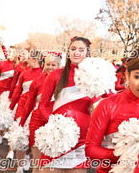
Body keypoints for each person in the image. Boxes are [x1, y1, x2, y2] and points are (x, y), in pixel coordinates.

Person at [85, 48, 139, 173]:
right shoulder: (107, 105)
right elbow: (90, 150)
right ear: (127, 75)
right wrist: (125, 155)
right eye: (138, 77)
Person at [38, 36, 96, 173]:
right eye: (73, 49)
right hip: (56, 138)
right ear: (68, 52)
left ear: (87, 53)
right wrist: (54, 124)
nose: (76, 52)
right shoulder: (56, 75)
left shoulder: (95, 77)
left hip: (81, 140)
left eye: (81, 50)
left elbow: (106, 103)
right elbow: (42, 105)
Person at [19, 52, 62, 173]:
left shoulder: (64, 83)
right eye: (48, 64)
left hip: (56, 124)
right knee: (38, 164)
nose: (50, 67)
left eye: (54, 65)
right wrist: (21, 124)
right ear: (43, 65)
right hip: (37, 122)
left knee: (52, 165)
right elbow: (28, 105)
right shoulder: (36, 82)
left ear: (59, 66)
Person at [9, 50, 43, 173]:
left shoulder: (45, 75)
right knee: (20, 136)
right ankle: (19, 167)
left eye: (29, 58)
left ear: (35, 60)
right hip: (22, 108)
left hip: (36, 110)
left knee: (32, 138)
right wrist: (11, 106)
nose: (26, 60)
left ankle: (27, 156)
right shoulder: (24, 73)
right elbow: (18, 90)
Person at [0, 45, 17, 147]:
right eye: (9, 52)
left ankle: (3, 133)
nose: (10, 54)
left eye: (12, 52)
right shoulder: (2, 64)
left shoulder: (18, 66)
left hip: (10, 94)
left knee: (8, 116)